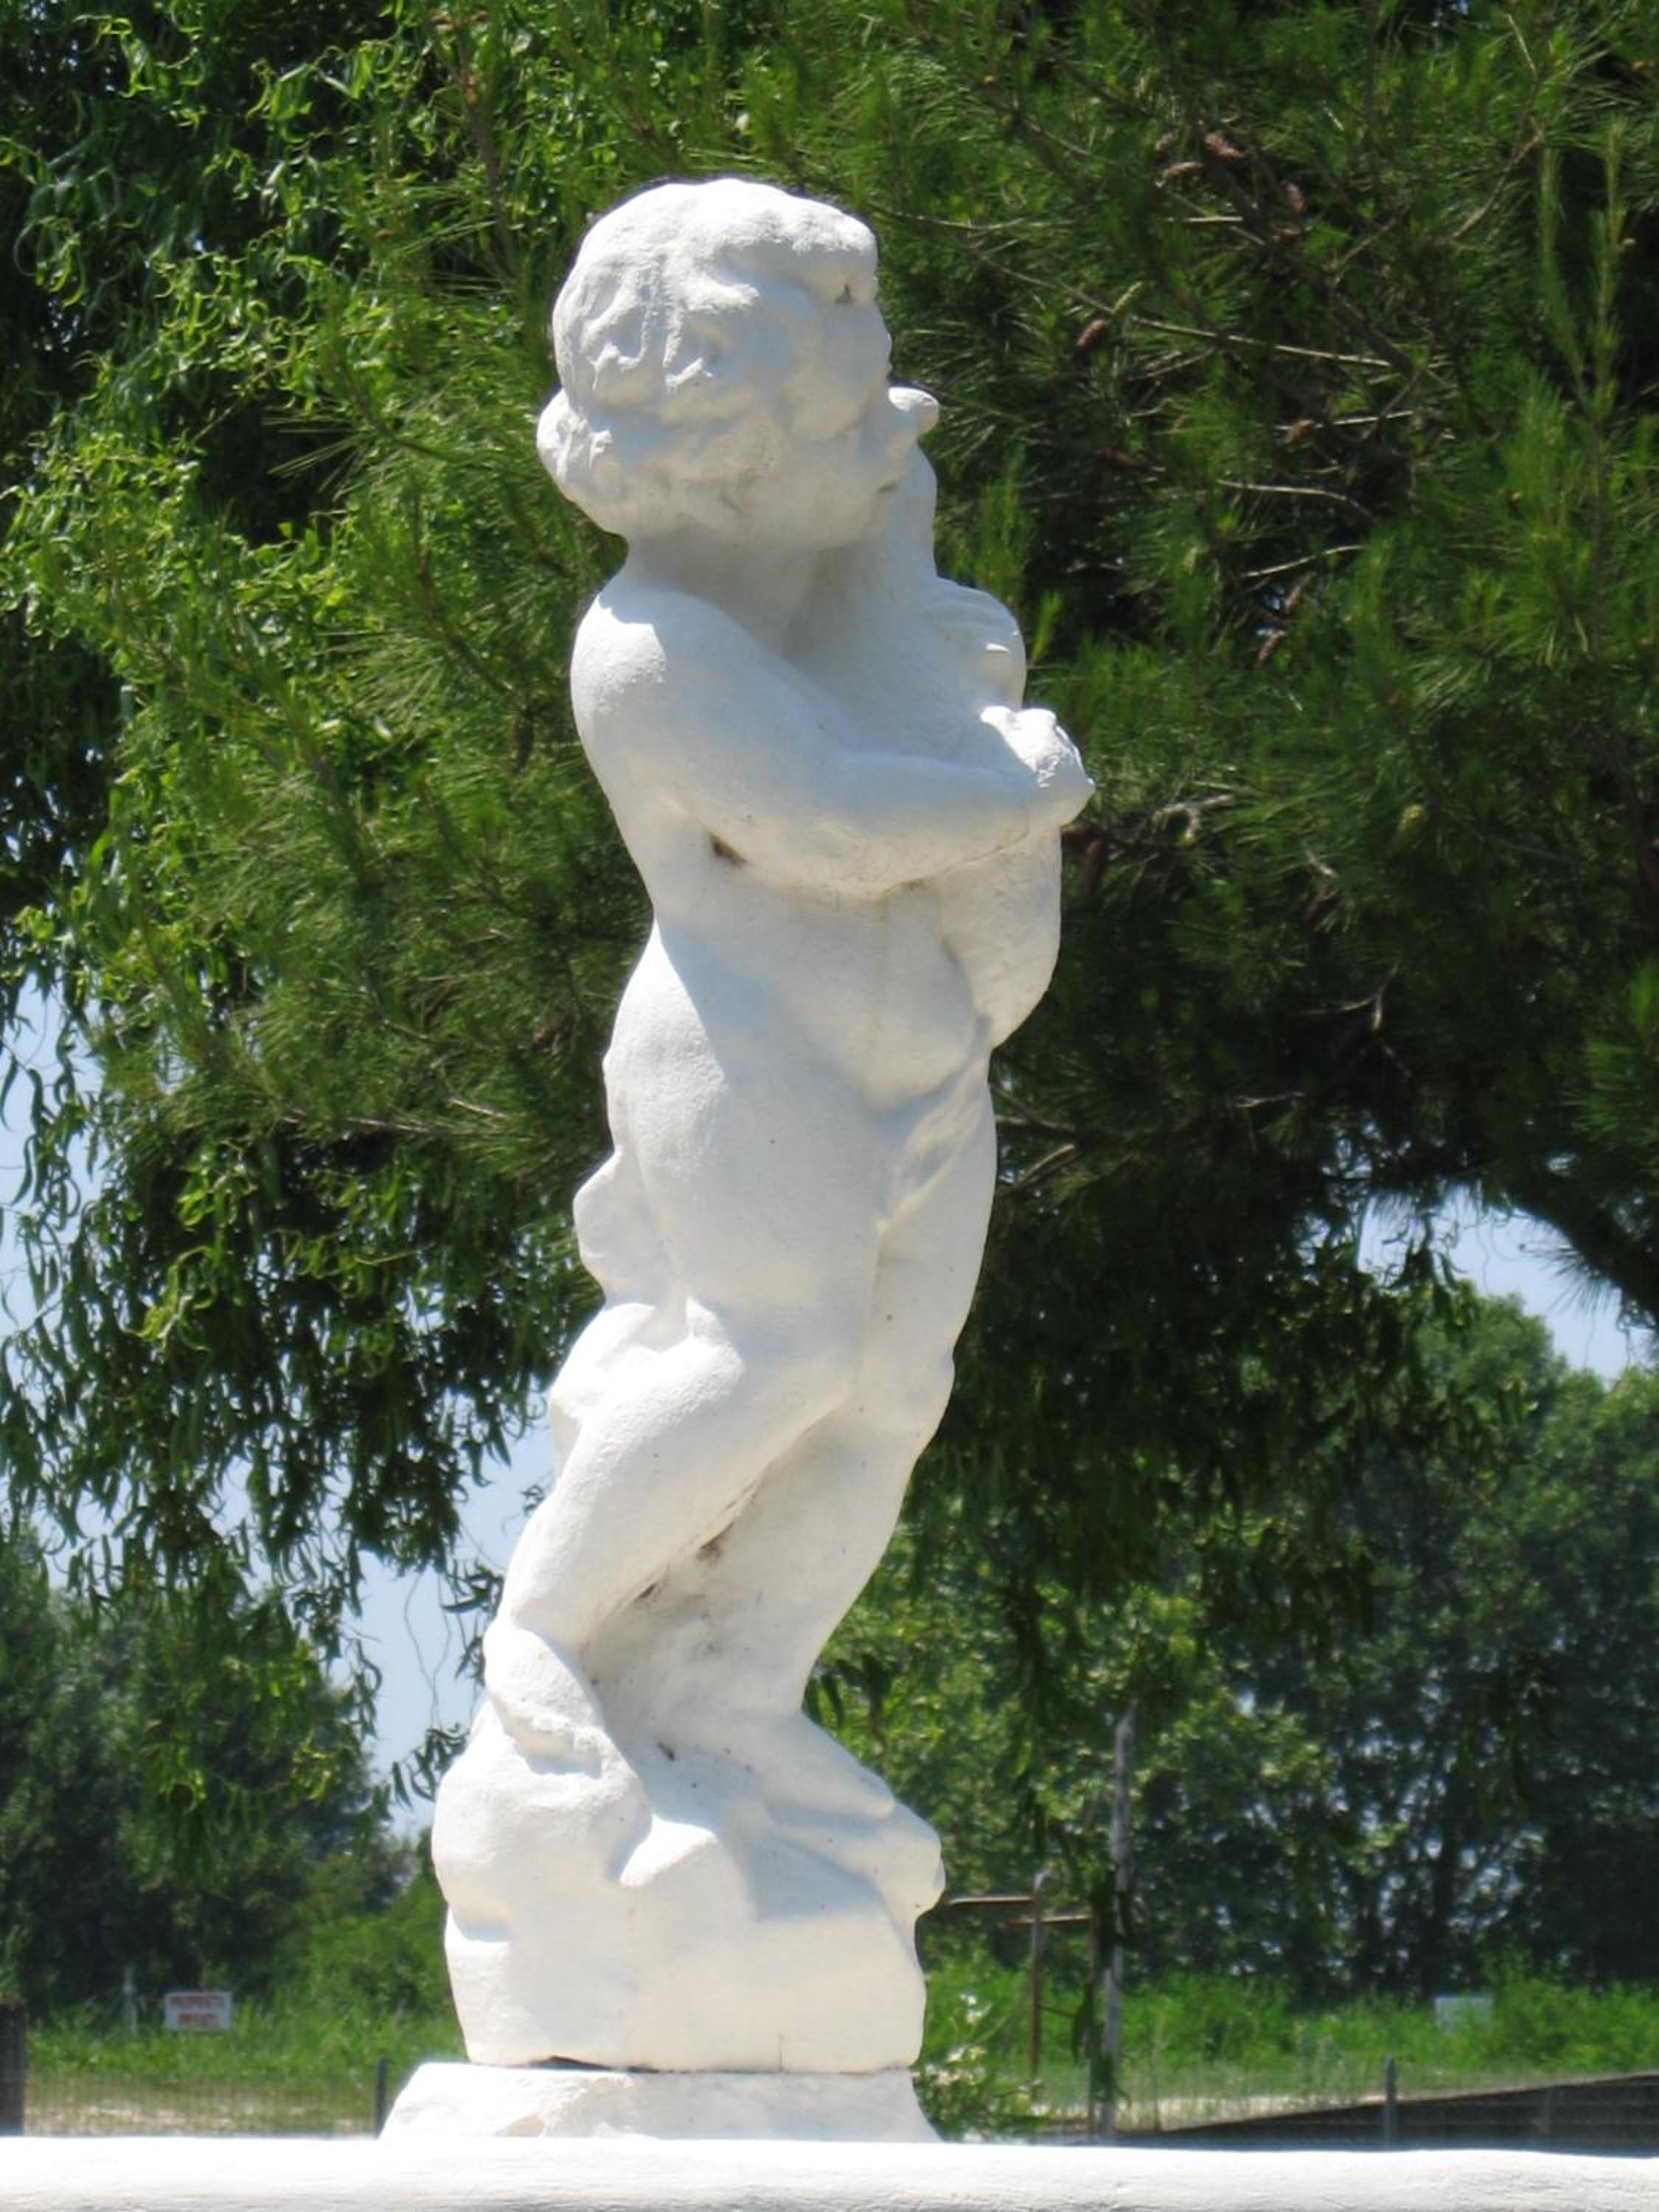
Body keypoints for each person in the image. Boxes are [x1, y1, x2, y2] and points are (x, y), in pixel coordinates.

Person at [482, 176, 1091, 1818]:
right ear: (728, 456)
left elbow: (908, 719)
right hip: (748, 1065)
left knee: (889, 1394)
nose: (900, 434)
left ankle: (738, 1688)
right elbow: (826, 823)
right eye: (853, 423)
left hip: (926, 1064)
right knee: (777, 1350)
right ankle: (544, 1629)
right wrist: (1017, 796)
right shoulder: (651, 652)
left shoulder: (844, 597)